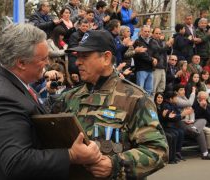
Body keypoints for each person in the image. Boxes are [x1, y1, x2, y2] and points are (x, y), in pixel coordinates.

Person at [0, 23, 101, 180]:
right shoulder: (3, 99)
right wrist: (71, 155)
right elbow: (17, 162)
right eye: (43, 58)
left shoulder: (10, 81)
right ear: (21, 63)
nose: (47, 63)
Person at [59, 30, 168, 179]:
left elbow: (157, 151)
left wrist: (115, 165)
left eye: (84, 56)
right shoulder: (68, 97)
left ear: (106, 58)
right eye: (77, 56)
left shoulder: (135, 97)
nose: (77, 62)